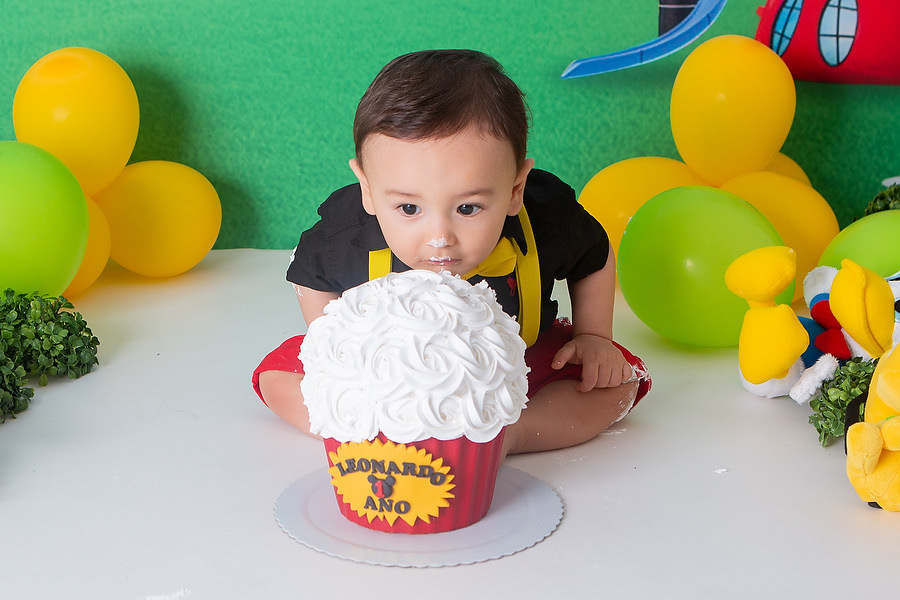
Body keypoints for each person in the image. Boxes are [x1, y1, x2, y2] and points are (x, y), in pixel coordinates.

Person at [252, 49, 650, 456]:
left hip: (513, 367)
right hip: (386, 378)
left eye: (468, 208)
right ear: (368, 190)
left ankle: (510, 433)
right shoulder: (347, 234)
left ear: (515, 189)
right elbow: (309, 276)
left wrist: (593, 335)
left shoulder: (545, 217)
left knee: (617, 381)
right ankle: (364, 428)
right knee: (276, 376)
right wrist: (336, 352)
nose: (440, 237)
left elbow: (594, 256)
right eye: (409, 209)